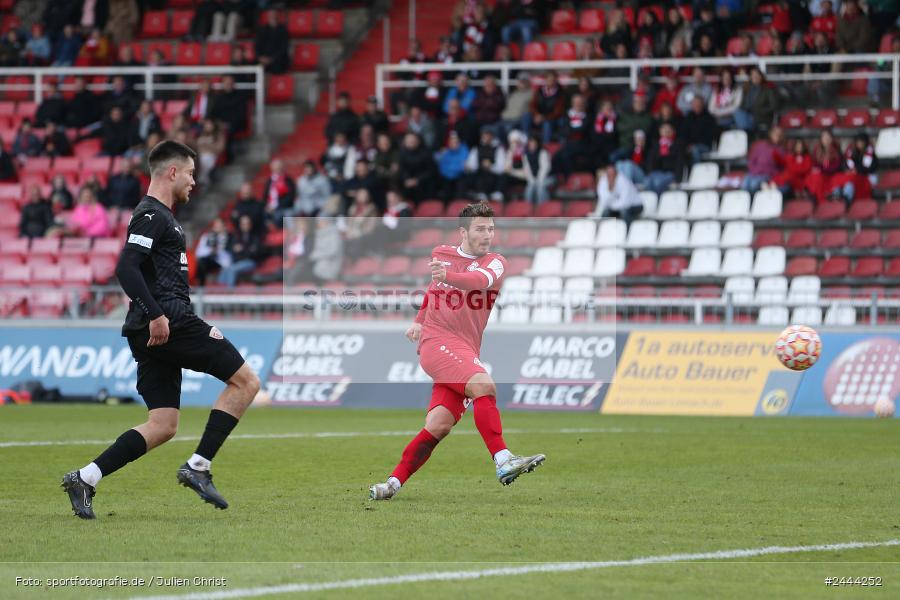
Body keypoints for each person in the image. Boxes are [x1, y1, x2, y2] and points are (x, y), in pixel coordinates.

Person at [62, 140, 261, 520]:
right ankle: (198, 466)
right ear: (172, 172)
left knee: (163, 424)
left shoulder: (160, 217)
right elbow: (126, 268)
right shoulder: (152, 215)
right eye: (189, 173)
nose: (193, 182)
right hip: (169, 321)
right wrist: (155, 314)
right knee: (246, 382)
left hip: (150, 331)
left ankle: (85, 478)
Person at [369, 202, 546, 500]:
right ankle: (503, 460)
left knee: (438, 425)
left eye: (491, 228)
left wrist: (446, 277)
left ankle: (392, 483)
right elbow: (433, 290)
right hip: (437, 342)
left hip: (464, 348)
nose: (487, 234)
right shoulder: (442, 254)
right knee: (484, 385)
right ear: (463, 231)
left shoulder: (496, 262)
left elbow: (477, 282)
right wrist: (419, 321)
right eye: (480, 229)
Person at [507, 133, 551, 205]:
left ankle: (542, 206)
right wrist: (532, 180)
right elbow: (527, 169)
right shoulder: (526, 155)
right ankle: (528, 207)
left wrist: (538, 180)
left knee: (540, 186)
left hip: (548, 177)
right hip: (534, 178)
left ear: (537, 143)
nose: (532, 144)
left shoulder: (543, 152)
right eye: (531, 142)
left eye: (534, 142)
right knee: (529, 187)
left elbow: (545, 168)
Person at [218, 214, 262, 287]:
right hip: (237, 261)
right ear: (240, 225)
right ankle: (219, 294)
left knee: (231, 269)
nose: (245, 225)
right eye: (243, 224)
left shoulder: (255, 236)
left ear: (250, 224)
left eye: (247, 223)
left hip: (250, 262)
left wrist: (242, 249)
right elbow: (231, 250)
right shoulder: (236, 236)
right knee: (224, 270)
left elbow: (255, 252)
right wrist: (243, 250)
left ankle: (230, 294)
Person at [195, 217, 232, 285]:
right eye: (215, 225)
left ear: (224, 226)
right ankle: (200, 287)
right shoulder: (207, 236)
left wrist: (218, 251)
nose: (216, 227)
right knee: (201, 262)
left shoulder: (230, 237)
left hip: (222, 262)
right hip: (209, 260)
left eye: (219, 225)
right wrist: (211, 251)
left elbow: (229, 256)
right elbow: (198, 253)